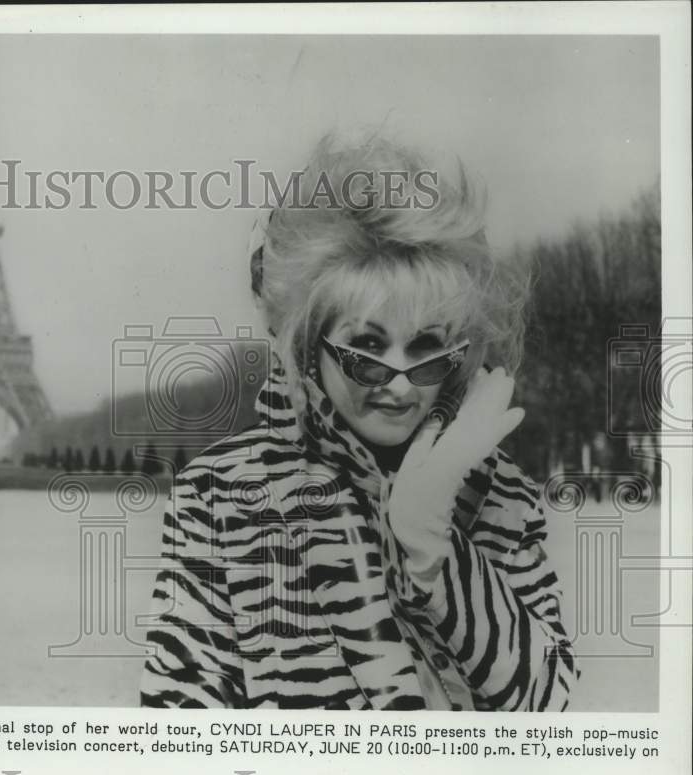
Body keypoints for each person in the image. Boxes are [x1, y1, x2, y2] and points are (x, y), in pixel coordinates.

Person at [139, 134, 579, 710]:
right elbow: (181, 738)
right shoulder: (217, 497)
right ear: (307, 346)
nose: (399, 382)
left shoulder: (503, 495)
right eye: (367, 349)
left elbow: (550, 711)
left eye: (426, 348)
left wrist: (433, 547)